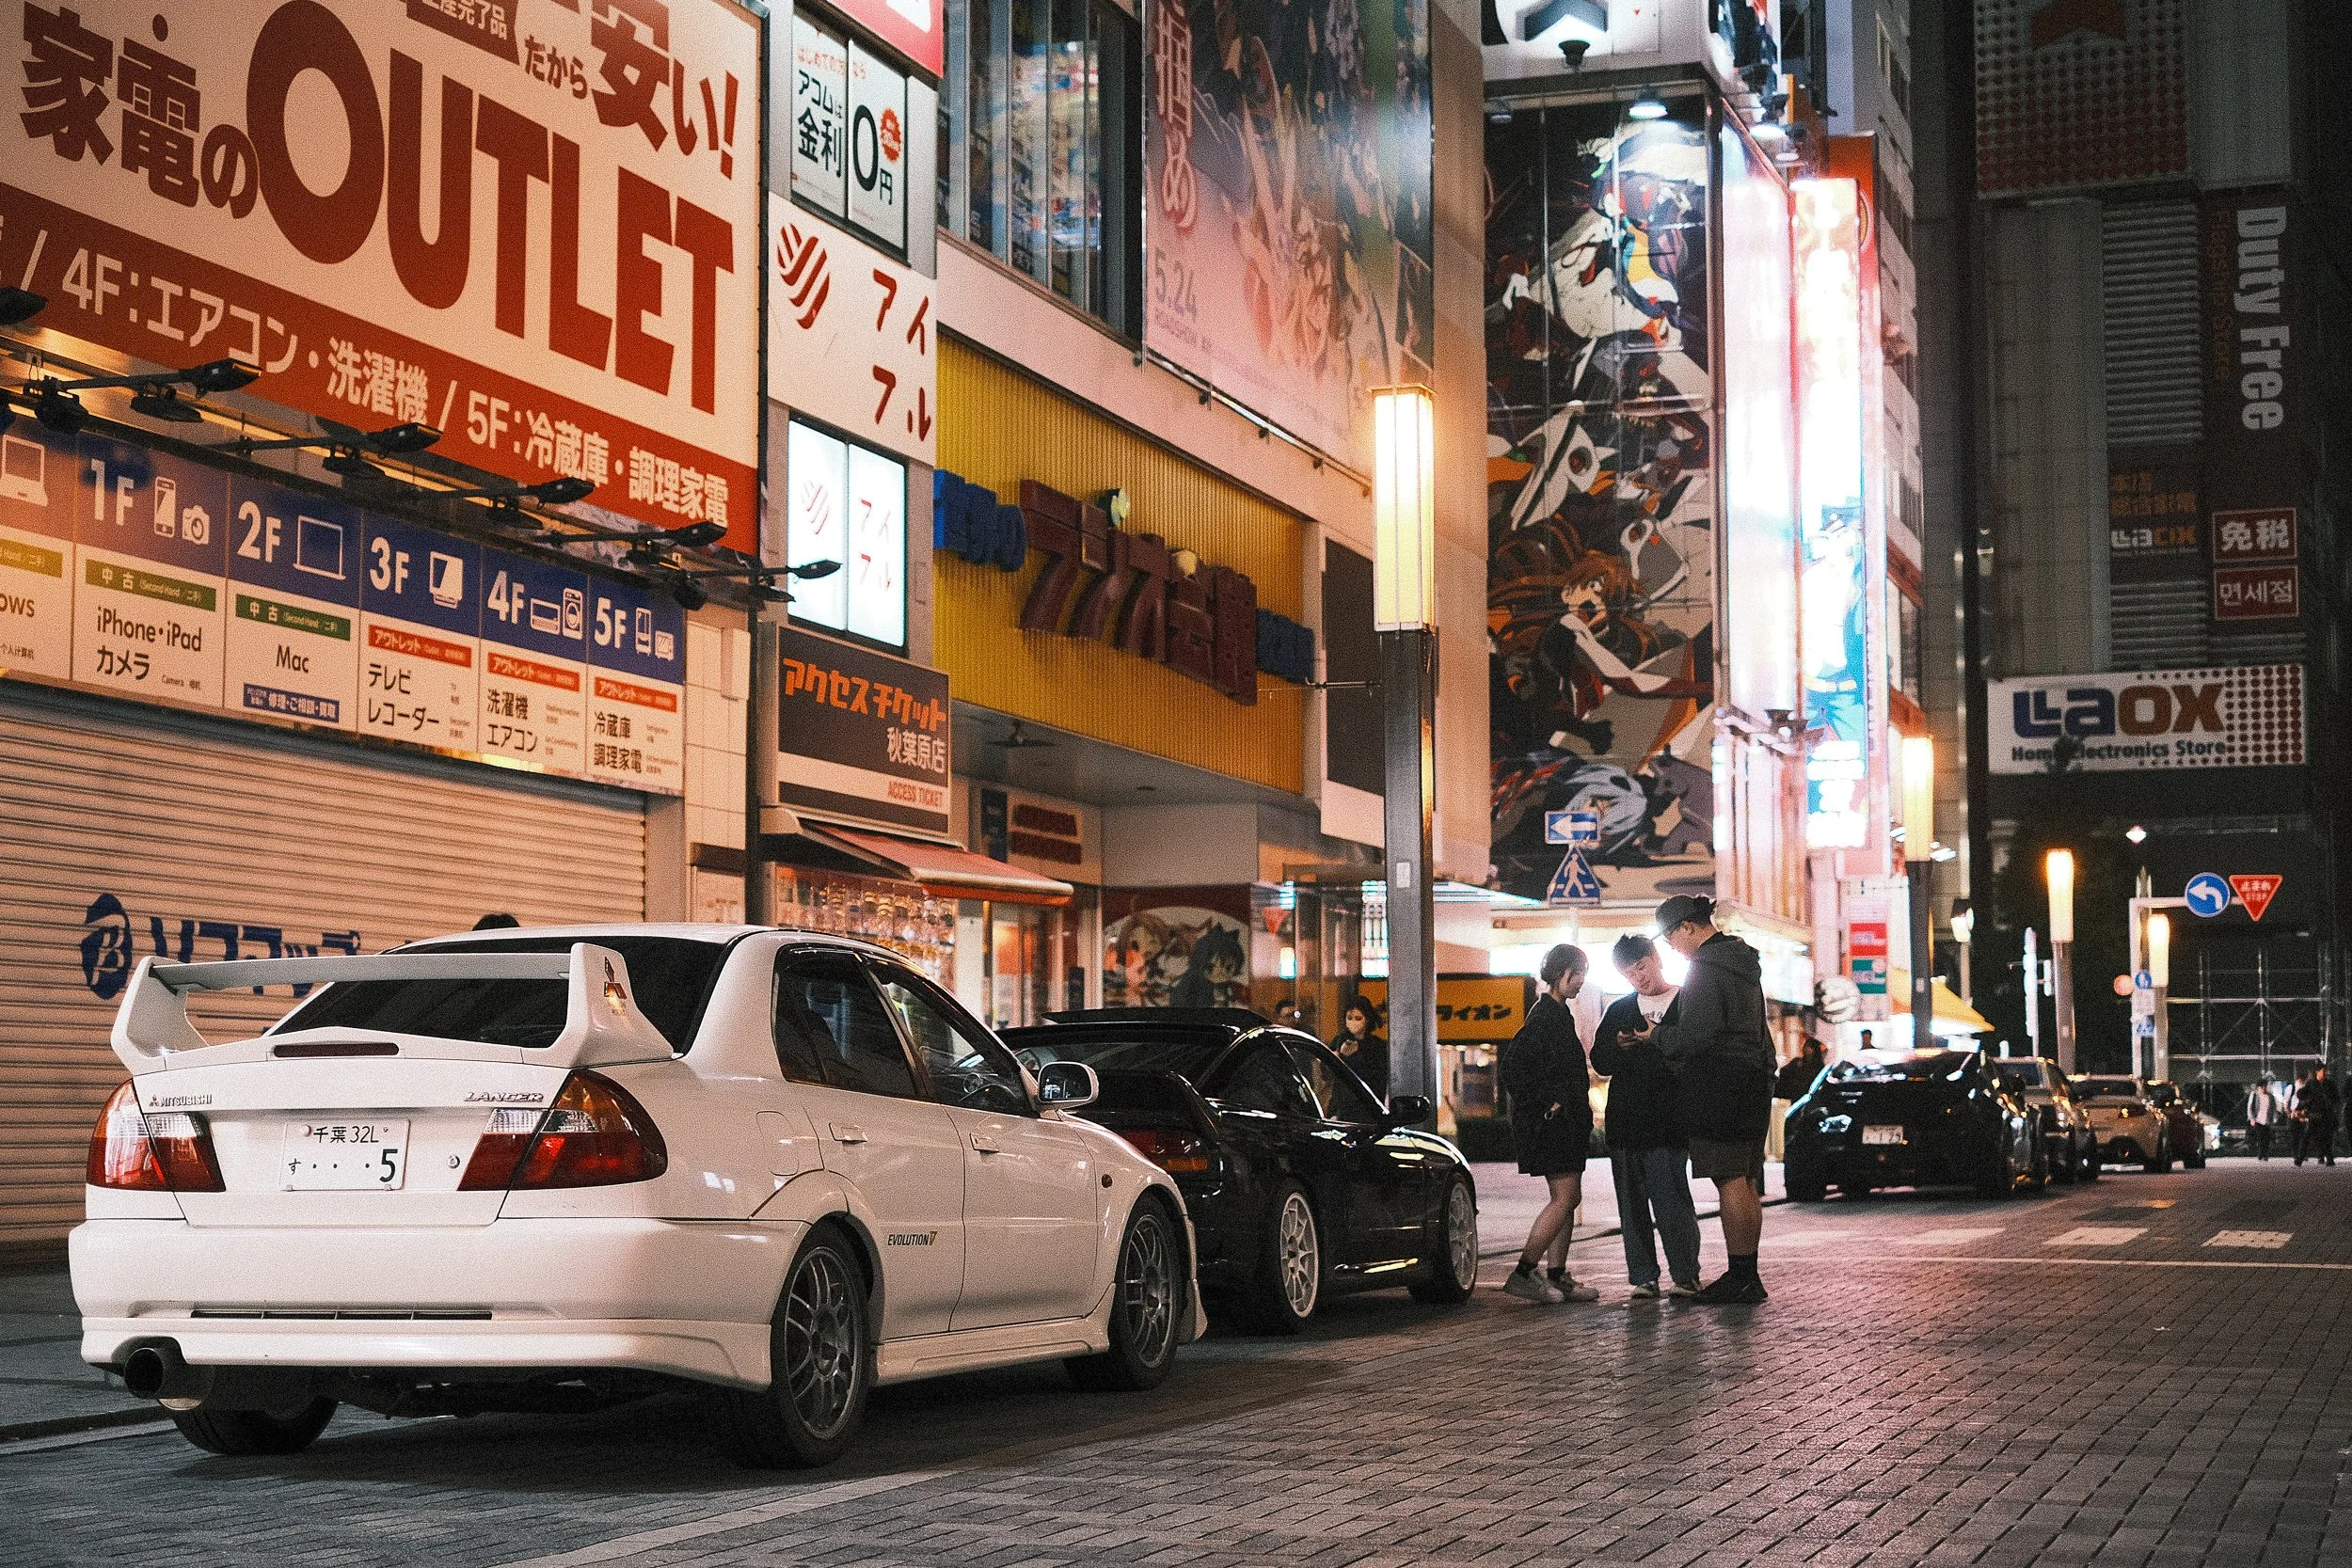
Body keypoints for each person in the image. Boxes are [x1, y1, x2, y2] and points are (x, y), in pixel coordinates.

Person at [1629, 895, 1775, 1306]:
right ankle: (1747, 1274)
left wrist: (1655, 1035)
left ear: (1688, 928)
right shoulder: (1741, 962)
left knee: (1729, 1179)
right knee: (1745, 1180)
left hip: (1720, 1083)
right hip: (1751, 1081)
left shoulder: (1706, 970)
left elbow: (1695, 1037)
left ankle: (1741, 1276)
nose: (1671, 947)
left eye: (1671, 937)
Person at [1590, 934, 1702, 1300]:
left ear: (1657, 959)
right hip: (1625, 1121)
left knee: (1672, 1200)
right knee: (1631, 1203)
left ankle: (1685, 1275)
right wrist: (1617, 1047)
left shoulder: (1688, 1002)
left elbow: (1696, 1054)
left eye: (1641, 966)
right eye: (1628, 972)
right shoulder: (1620, 1009)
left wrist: (1658, 1039)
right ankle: (1643, 1277)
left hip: (1670, 1122)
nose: (1638, 977)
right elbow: (1601, 1061)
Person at [1499, 943, 1600, 1304]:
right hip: (1553, 1125)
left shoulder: (1557, 1013)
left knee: (1568, 1199)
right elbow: (1512, 1069)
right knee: (1566, 1196)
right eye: (1578, 975)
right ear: (1562, 975)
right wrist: (1548, 1103)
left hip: (1564, 1123)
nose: (1581, 983)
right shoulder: (1544, 1018)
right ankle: (1524, 1272)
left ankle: (1557, 1275)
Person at [1768, 1038, 1826, 1163]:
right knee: (1792, 1131)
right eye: (1806, 1047)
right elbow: (1785, 1076)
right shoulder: (1797, 1064)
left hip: (1813, 1108)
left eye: (1810, 1047)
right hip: (1797, 1105)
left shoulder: (1820, 1068)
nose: (1807, 1050)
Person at [1331, 997, 1391, 1101]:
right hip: (1343, 1104)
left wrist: (1353, 1057)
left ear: (1367, 1019)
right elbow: (1329, 1076)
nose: (1353, 1022)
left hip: (1367, 1104)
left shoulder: (1377, 1046)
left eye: (1358, 1018)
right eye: (1349, 1018)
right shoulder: (1339, 1041)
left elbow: (1377, 1079)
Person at [2304, 1067, 2340, 1167]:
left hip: (2325, 1115)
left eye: (2325, 1071)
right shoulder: (2314, 1084)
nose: (2324, 1073)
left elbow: (2336, 1099)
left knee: (2324, 1137)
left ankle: (2325, 1157)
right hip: (2318, 1115)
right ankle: (2325, 1157)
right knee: (2322, 1137)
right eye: (2323, 1071)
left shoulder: (2322, 1084)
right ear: (2317, 1072)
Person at [2246, 1080, 2279, 1162]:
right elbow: (2249, 1107)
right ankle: (2261, 1154)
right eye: (2261, 1087)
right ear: (2258, 1088)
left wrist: (2275, 1118)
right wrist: (2252, 1118)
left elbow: (2273, 1108)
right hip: (2258, 1120)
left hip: (2267, 1120)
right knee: (2261, 1137)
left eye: (2265, 1087)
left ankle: (2265, 1154)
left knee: (2267, 1138)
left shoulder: (2270, 1096)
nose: (2263, 1089)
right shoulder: (2254, 1095)